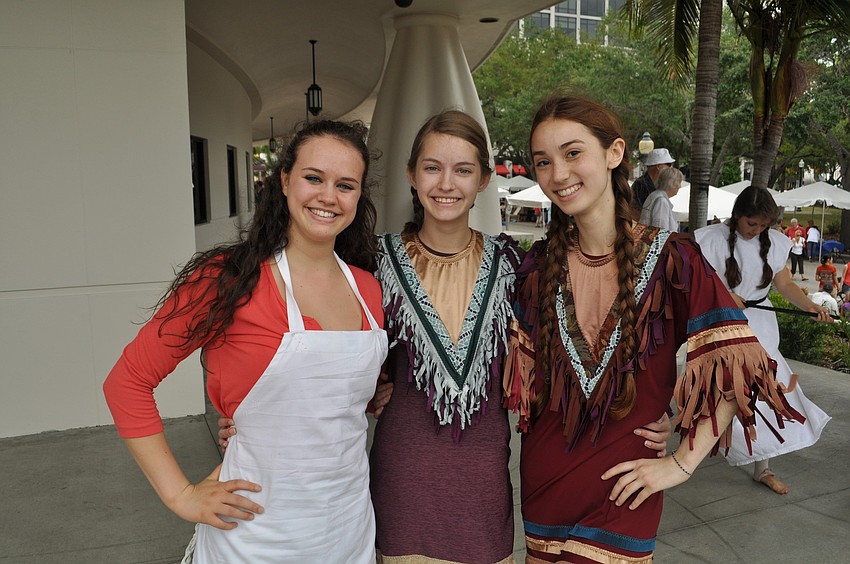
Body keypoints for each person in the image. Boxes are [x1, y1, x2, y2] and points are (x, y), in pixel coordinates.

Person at [220, 110, 672, 563]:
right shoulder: (372, 265)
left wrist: (646, 413)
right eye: (432, 167)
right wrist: (254, 416)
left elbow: (570, 358)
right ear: (411, 175)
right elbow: (317, 357)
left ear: (483, 181)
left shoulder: (518, 267)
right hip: (401, 492)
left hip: (483, 497)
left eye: (463, 170)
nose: (446, 183)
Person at [503, 96, 802, 563]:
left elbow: (744, 368)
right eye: (543, 161)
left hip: (628, 493)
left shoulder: (674, 259)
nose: (558, 174)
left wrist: (682, 462)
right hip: (545, 488)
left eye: (572, 152)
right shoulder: (535, 269)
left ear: (614, 153)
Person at [103, 120, 389, 563]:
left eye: (345, 185)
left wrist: (382, 395)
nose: (328, 196)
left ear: (358, 197)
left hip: (347, 531)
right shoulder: (228, 279)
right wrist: (181, 495)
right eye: (314, 178)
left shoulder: (368, 289)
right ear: (285, 180)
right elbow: (127, 382)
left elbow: (340, 402)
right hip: (253, 537)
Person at [695, 186, 832, 496]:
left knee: (764, 395)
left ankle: (763, 468)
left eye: (763, 225)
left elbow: (784, 283)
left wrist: (809, 306)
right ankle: (692, 454)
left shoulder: (776, 243)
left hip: (760, 326)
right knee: (719, 391)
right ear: (737, 216)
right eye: (751, 223)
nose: (756, 230)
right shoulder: (710, 239)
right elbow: (695, 282)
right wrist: (724, 295)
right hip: (722, 323)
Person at [639, 166, 683, 232]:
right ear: (673, 183)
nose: (680, 186)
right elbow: (660, 230)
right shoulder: (661, 201)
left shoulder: (654, 195)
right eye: (679, 182)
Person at [630, 147, 675, 211]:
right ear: (658, 166)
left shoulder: (652, 184)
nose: (671, 168)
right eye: (669, 164)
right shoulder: (641, 185)